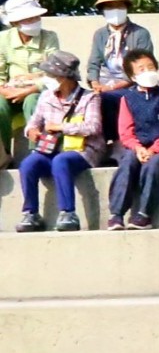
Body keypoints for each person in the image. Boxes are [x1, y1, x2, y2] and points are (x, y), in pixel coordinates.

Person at [17, 51, 105, 232]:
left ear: (65, 77)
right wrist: (31, 131)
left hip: (83, 150)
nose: (49, 78)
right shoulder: (46, 97)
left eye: (52, 75)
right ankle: (30, 213)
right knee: (28, 164)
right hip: (50, 148)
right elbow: (34, 122)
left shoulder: (90, 98)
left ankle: (68, 213)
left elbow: (93, 127)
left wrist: (61, 127)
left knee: (61, 161)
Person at [107, 50, 159, 229]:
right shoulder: (128, 98)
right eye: (141, 69)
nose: (148, 71)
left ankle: (144, 214)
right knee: (127, 162)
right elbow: (125, 132)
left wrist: (154, 149)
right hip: (139, 147)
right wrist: (138, 148)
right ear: (132, 76)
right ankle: (116, 214)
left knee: (154, 163)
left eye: (150, 67)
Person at [86, 0, 155, 145]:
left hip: (132, 83)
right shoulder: (100, 34)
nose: (115, 10)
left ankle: (117, 140)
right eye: (110, 7)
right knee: (89, 99)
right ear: (103, 11)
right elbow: (94, 62)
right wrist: (95, 83)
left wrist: (113, 87)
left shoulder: (140, 33)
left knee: (109, 98)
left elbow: (142, 65)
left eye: (119, 6)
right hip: (104, 82)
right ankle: (98, 142)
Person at [0, 0, 60, 161]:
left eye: (36, 17)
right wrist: (7, 92)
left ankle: (38, 152)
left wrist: (29, 90)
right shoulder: (3, 40)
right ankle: (4, 154)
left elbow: (54, 73)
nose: (34, 21)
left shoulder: (49, 38)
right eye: (28, 19)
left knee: (33, 101)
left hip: (38, 90)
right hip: (10, 91)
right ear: (15, 23)